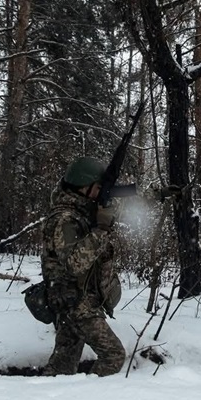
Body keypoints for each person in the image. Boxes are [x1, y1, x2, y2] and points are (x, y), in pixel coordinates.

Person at [41, 156, 126, 377]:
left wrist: (159, 194)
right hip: (76, 304)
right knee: (113, 355)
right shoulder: (64, 219)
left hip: (75, 301)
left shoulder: (82, 211)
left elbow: (117, 196)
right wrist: (101, 230)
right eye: (97, 188)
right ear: (83, 188)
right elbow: (73, 264)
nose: (100, 193)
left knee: (62, 366)